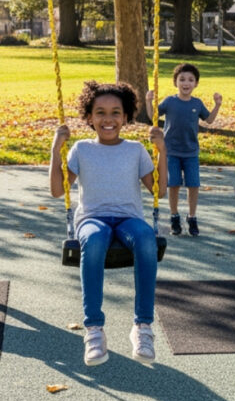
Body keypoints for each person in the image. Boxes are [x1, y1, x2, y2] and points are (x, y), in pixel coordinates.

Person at [49, 80, 166, 367]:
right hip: (92, 219)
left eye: (116, 112)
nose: (108, 119)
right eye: (100, 112)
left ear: (126, 117)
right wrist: (56, 148)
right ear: (89, 117)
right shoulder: (81, 149)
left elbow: (159, 191)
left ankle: (142, 327)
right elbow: (56, 190)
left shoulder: (136, 150)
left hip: (129, 219)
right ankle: (94, 330)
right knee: (95, 239)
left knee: (146, 239)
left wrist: (163, 150)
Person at [145, 63, 222, 237]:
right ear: (175, 83)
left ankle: (192, 217)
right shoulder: (170, 101)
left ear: (196, 84)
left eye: (190, 80)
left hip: (191, 152)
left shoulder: (197, 103)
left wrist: (217, 105)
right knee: (174, 185)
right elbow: (153, 117)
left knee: (193, 185)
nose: (186, 83)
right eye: (182, 79)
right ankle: (174, 216)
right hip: (171, 151)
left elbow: (209, 120)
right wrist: (148, 101)